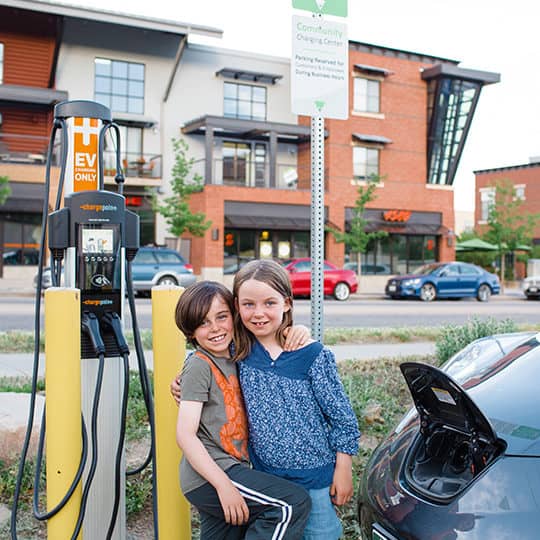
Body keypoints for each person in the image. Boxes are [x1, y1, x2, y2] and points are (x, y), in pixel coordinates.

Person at [232, 259, 360, 540]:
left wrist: (344, 469)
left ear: (287, 304)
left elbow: (342, 417)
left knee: (320, 534)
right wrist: (180, 381)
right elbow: (203, 360)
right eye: (248, 304)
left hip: (315, 477)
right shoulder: (239, 352)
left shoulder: (311, 354)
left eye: (269, 303)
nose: (258, 313)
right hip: (267, 479)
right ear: (237, 306)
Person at [174, 280, 312, 539]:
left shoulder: (240, 353)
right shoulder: (200, 365)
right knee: (290, 504)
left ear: (234, 315)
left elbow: (273, 334)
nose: (214, 328)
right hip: (211, 475)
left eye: (221, 317)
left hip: (230, 469)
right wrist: (223, 485)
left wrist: (297, 330)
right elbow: (185, 435)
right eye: (203, 323)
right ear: (191, 331)